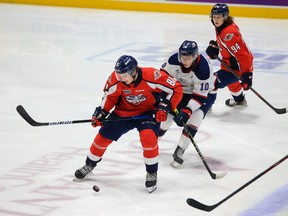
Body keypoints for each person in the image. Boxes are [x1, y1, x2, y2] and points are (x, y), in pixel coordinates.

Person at [74, 55, 182, 193]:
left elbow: (176, 88)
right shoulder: (115, 78)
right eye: (119, 75)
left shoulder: (152, 75)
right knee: (102, 138)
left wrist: (165, 106)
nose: (121, 79)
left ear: (133, 71)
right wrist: (102, 113)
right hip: (123, 113)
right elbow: (109, 97)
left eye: (124, 75)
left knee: (148, 138)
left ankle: (152, 173)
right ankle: (88, 165)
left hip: (148, 113)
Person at [158, 40, 217, 167]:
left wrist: (186, 111)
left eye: (188, 57)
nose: (184, 60)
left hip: (205, 94)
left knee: (196, 117)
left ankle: (180, 150)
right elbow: (162, 77)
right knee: (167, 117)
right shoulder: (174, 61)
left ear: (195, 57)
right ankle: (154, 143)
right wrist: (164, 98)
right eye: (182, 56)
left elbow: (200, 97)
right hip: (180, 91)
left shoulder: (203, 69)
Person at [206, 3, 254, 106]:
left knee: (211, 82)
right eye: (214, 17)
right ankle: (239, 100)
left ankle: (205, 106)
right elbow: (226, 44)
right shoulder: (222, 26)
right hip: (228, 65)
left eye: (219, 17)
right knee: (232, 84)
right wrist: (216, 47)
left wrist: (247, 74)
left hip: (237, 68)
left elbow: (244, 56)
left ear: (225, 17)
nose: (216, 20)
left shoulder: (229, 34)